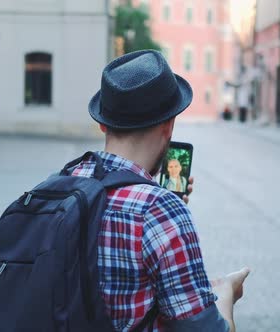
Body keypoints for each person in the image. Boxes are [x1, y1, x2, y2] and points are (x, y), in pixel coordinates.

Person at [70, 50, 250, 331]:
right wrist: (226, 294)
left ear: (103, 123)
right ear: (168, 125)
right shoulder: (161, 211)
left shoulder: (65, 182)